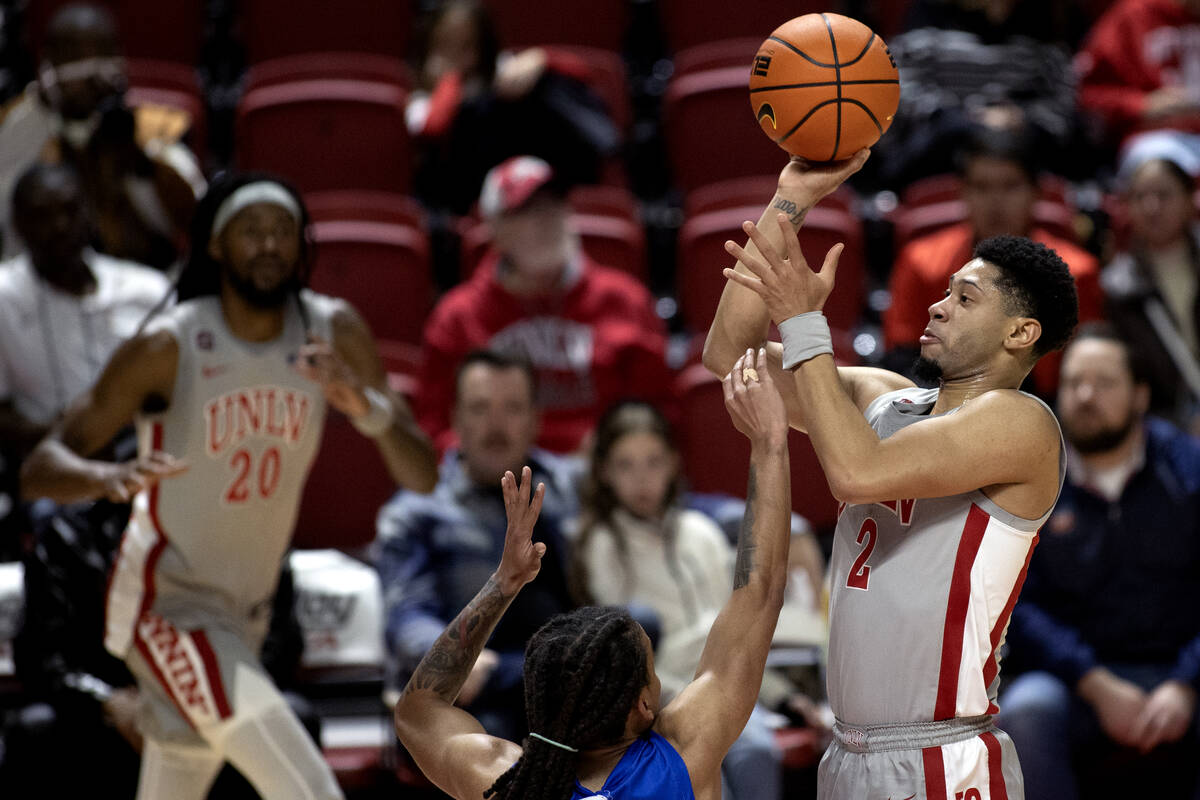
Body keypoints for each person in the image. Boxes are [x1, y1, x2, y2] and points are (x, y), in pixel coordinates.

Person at [19, 171, 438, 800]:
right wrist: (106, 477)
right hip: (168, 605)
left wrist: (364, 406)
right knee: (309, 791)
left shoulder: (333, 330)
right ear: (216, 246)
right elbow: (37, 469)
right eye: (251, 231)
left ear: (302, 246)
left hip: (249, 613)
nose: (268, 245)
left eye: (282, 232)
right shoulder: (171, 343)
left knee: (176, 782)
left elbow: (423, 473)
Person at [704, 149, 1077, 798]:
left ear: (1021, 333)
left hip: (943, 756)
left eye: (965, 298)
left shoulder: (1024, 426)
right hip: (848, 752)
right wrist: (789, 200)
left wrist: (802, 322)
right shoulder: (885, 398)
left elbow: (855, 472)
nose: (936, 307)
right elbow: (727, 355)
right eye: (943, 292)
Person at [394, 345, 795, 800]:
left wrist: (503, 582)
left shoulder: (502, 780)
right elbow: (760, 588)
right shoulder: (683, 756)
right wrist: (770, 443)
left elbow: (418, 709)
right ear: (646, 705)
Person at [996, 324, 1200, 800]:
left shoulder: (1188, 473)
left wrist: (1187, 684)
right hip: (1075, 680)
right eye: (1073, 383)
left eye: (1105, 383)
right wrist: (1093, 681)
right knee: (1025, 711)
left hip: (1180, 670)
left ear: (1141, 396)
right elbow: (1018, 606)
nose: (1086, 396)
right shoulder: (1030, 480)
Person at [568, 399, 796, 800]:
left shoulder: (701, 531)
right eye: (626, 465)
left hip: (727, 687)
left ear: (673, 464)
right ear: (604, 472)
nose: (642, 479)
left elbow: (745, 629)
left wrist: (784, 696)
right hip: (662, 700)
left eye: (653, 462)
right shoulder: (601, 545)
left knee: (757, 753)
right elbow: (622, 657)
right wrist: (674, 703)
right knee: (706, 774)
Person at [375, 349, 578, 742]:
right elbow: (406, 619)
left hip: (560, 675)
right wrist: (461, 660)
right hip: (473, 687)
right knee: (491, 731)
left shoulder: (572, 486)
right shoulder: (416, 509)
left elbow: (669, 504)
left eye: (512, 408)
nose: (496, 425)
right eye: (480, 408)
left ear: (536, 420)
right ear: (456, 419)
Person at [416, 155, 671, 454]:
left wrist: (616, 454)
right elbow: (433, 426)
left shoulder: (625, 300)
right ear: (495, 229)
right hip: (495, 484)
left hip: (602, 487)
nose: (546, 219)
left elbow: (661, 415)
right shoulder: (457, 317)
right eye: (527, 211)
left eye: (554, 204)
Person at [883, 125, 1102, 396]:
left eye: (1010, 186)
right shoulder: (920, 262)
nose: (996, 202)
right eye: (982, 187)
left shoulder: (1078, 273)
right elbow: (902, 358)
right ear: (962, 192)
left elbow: (1087, 367)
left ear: (1036, 193)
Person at [0, 2, 205, 265]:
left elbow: (194, 218)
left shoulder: (154, 125)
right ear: (47, 60)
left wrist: (139, 162)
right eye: (74, 56)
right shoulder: (13, 125)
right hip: (35, 281)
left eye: (102, 54)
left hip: (140, 280)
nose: (90, 74)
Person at [407, 0, 618, 215]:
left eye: (467, 44)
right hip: (465, 191)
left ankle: (602, 146)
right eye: (446, 43)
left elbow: (581, 72)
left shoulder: (499, 70)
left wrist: (541, 58)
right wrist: (449, 80)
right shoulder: (419, 97)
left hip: (528, 165)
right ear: (429, 44)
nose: (459, 54)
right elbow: (433, 127)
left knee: (548, 87)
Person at [1101, 152, 1200, 432]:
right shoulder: (1116, 286)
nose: (1152, 206)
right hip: (1166, 427)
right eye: (1140, 197)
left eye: (1164, 195)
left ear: (1189, 199)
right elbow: (1130, 379)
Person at [1076, 0, 1200, 151]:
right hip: (1157, 139)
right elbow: (1086, 93)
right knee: (1155, 170)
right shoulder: (1135, 14)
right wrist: (1143, 105)